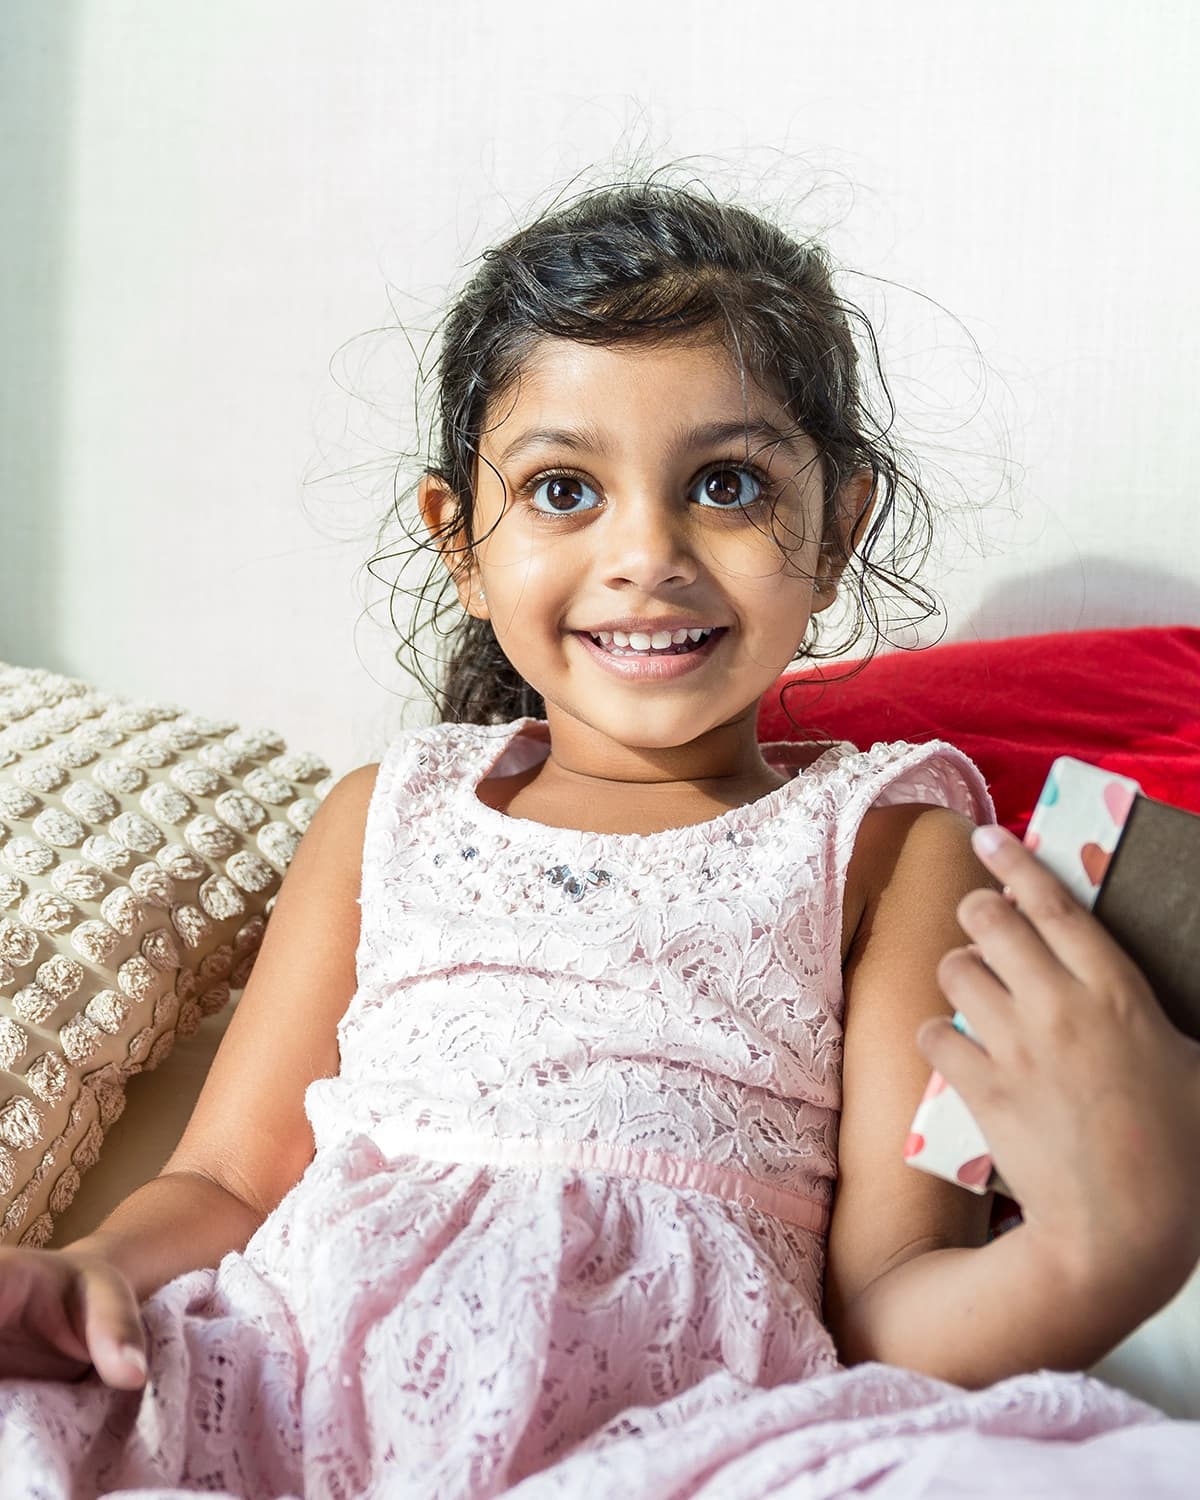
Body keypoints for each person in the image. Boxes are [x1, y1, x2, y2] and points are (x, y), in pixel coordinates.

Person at [2, 180, 1198, 1499]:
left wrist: (1104, 1247)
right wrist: (92, 1273)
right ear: (459, 541)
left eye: (727, 485)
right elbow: (226, 1181)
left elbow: (885, 1311)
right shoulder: (383, 812)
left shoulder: (888, 840)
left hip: (699, 1432)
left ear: (840, 529)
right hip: (293, 1397)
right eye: (566, 489)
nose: (646, 554)